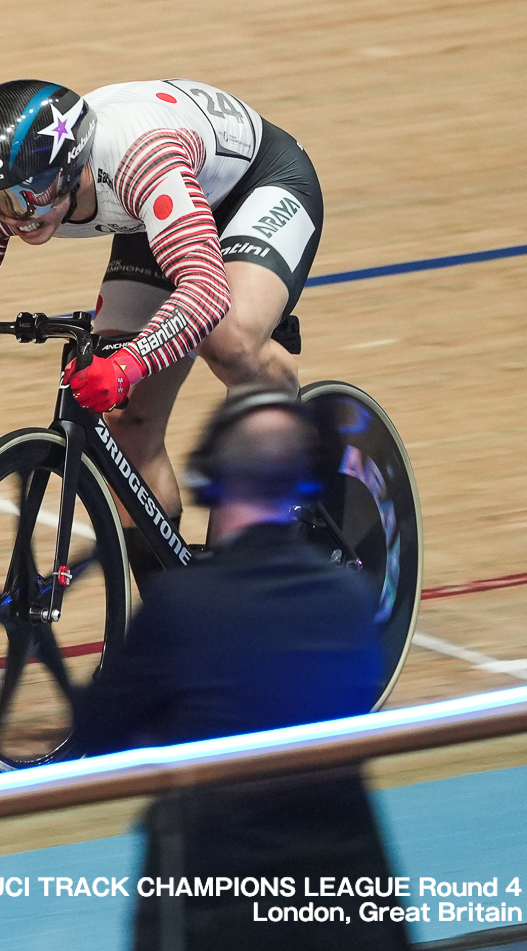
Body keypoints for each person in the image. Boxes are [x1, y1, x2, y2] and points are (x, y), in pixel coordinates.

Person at [0, 78, 323, 575]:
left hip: (256, 184)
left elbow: (205, 290)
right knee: (125, 425)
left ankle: (283, 417)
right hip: (153, 217)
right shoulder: (9, 184)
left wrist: (128, 363)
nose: (15, 215)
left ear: (72, 166)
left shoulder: (137, 158)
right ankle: (173, 600)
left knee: (227, 338)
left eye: (29, 196)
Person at [70, 393, 407, 949]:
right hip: (352, 906)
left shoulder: (182, 602)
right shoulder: (349, 596)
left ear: (211, 480)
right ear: (305, 489)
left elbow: (96, 733)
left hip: (224, 906)